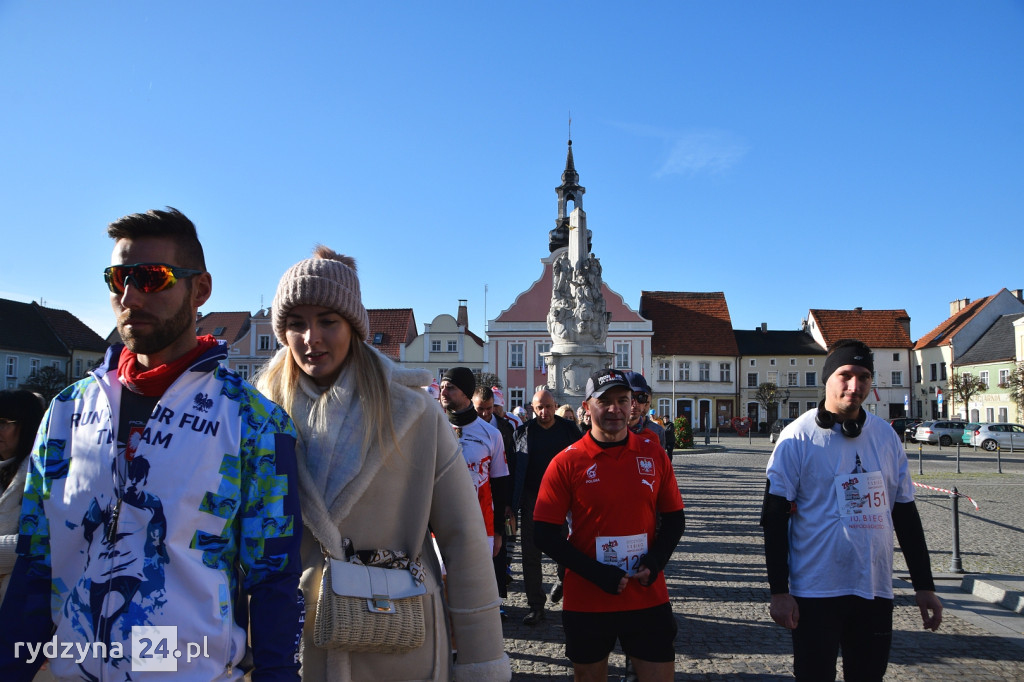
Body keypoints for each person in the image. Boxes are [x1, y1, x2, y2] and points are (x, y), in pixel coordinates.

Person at [0, 207, 305, 681]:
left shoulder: (254, 423)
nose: (128, 296)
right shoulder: (66, 412)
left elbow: (274, 581)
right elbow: (36, 564)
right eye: (117, 278)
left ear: (199, 289)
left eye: (151, 278)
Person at [256, 246, 509, 681]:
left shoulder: (413, 412)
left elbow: (464, 540)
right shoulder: (258, 414)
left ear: (353, 326)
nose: (310, 338)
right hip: (296, 644)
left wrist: (480, 661)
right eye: (295, 324)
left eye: (327, 321)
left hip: (399, 638)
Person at [762, 339, 942, 681]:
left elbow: (904, 514)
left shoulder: (886, 438)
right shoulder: (796, 438)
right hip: (816, 590)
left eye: (864, 376)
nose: (855, 385)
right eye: (845, 375)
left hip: (873, 589)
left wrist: (924, 585)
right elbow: (773, 519)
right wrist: (779, 592)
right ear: (827, 378)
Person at [533, 369, 685, 682]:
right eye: (605, 401)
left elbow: (675, 520)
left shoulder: (654, 454)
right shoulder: (566, 461)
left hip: (646, 595)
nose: (615, 408)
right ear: (587, 408)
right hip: (587, 598)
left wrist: (655, 562)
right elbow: (544, 533)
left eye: (622, 400)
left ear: (633, 406)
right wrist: (596, 574)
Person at [511, 388, 583, 626]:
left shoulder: (569, 429)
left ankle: (564, 583)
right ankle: (536, 606)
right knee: (530, 555)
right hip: (532, 499)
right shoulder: (523, 433)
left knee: (565, 550)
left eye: (548, 407)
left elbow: (583, 460)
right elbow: (514, 470)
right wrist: (512, 505)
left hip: (562, 500)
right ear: (533, 408)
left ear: (555, 406)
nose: (544, 412)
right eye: (539, 407)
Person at [439, 368, 510, 559]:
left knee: (475, 586)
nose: (443, 392)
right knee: (442, 585)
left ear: (466, 393)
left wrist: (498, 532)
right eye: (442, 387)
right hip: (441, 526)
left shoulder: (491, 434)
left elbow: (500, 485)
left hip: (481, 525)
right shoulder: (434, 428)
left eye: (450, 387)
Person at [472, 385, 516, 618]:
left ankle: (497, 599)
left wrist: (508, 502)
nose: (485, 414)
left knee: (497, 550)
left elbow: (510, 469)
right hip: (474, 496)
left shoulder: (504, 428)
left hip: (496, 496)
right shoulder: (463, 427)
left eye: (489, 409)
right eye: (480, 409)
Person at [0, 390, 46, 603]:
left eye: (3, 422)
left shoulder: (43, 476)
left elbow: (41, 544)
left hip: (19, 603)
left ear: (27, 426)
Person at [623, 372, 666, 451]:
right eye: (630, 397)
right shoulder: (609, 432)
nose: (635, 404)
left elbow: (660, 461)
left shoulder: (655, 433)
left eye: (641, 398)